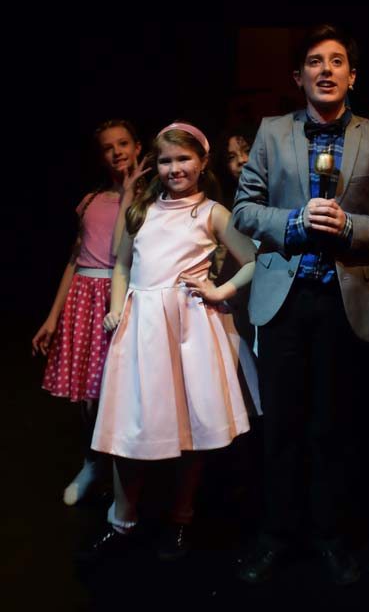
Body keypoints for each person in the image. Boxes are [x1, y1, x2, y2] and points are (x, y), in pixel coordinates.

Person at [232, 24, 369, 585]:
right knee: (281, 426)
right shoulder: (271, 130)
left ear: (352, 76)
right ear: (298, 76)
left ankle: (331, 536)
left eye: (336, 61)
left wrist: (352, 226)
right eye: (314, 61)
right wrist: (293, 220)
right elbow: (244, 209)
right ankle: (275, 536)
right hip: (283, 299)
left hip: (344, 299)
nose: (326, 69)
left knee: (335, 426)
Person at [85, 122, 256, 561]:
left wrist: (220, 290)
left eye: (184, 159)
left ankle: (181, 517)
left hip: (188, 331)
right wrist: (118, 307)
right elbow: (123, 265)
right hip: (141, 328)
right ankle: (122, 519)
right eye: (166, 160)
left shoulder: (211, 212)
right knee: (129, 426)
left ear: (202, 162)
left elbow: (254, 260)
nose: (175, 168)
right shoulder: (141, 210)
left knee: (190, 428)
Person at [32, 119, 145, 505]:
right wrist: (52, 317)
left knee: (122, 391)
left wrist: (131, 195)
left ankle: (124, 475)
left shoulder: (152, 198)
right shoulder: (91, 200)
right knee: (89, 395)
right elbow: (74, 259)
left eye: (123, 143)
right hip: (85, 297)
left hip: (122, 295)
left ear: (138, 147)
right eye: (108, 147)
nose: (117, 152)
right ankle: (93, 462)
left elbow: (125, 254)